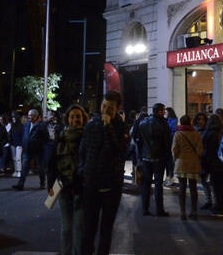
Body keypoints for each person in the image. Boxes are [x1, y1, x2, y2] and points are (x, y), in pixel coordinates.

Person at [79, 90, 128, 255]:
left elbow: (118, 152)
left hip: (111, 187)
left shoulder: (121, 128)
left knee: (106, 231)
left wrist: (108, 128)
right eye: (104, 105)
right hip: (91, 185)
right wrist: (84, 173)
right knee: (88, 230)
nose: (106, 110)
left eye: (110, 107)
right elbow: (83, 152)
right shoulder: (92, 125)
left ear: (117, 109)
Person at [48, 104, 88, 255]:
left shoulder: (88, 137)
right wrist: (50, 188)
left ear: (83, 118)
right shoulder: (61, 137)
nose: (75, 119)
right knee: (66, 227)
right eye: (72, 117)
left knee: (79, 227)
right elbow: (52, 164)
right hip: (63, 186)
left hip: (81, 188)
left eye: (78, 116)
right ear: (67, 119)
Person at [139, 103, 171, 216]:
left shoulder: (143, 123)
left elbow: (138, 139)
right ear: (159, 111)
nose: (164, 113)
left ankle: (145, 208)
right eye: (163, 111)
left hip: (146, 156)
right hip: (158, 157)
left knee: (146, 184)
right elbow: (167, 141)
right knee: (158, 184)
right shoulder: (162, 123)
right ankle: (159, 209)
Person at [172, 114, 204, 220]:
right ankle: (194, 211)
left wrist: (177, 157)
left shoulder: (178, 134)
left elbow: (174, 150)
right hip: (193, 163)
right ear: (190, 122)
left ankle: (182, 212)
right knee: (193, 188)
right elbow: (200, 151)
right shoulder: (196, 134)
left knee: (182, 188)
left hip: (181, 163)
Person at [202, 114, 223, 217]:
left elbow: (207, 152)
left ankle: (219, 209)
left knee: (216, 187)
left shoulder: (209, 134)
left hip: (214, 165)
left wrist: (204, 165)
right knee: (222, 187)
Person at [14, 108, 47, 191]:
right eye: (28, 115)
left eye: (30, 115)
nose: (28, 117)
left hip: (38, 150)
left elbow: (46, 137)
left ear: (35, 116)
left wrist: (39, 143)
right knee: (24, 167)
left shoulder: (41, 125)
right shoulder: (27, 124)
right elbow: (25, 134)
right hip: (27, 149)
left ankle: (42, 182)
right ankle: (20, 184)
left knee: (40, 167)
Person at [193, 111, 213, 210]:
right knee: (203, 181)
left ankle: (214, 201)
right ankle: (208, 200)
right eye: (199, 119)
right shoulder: (195, 131)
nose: (201, 121)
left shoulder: (208, 130)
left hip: (208, 157)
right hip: (199, 159)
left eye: (203, 119)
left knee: (210, 181)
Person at [163, 107, 178, 186]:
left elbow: (172, 130)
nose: (165, 113)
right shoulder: (167, 120)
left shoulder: (173, 120)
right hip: (166, 143)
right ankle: (168, 177)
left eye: (166, 112)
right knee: (167, 161)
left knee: (169, 161)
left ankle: (170, 176)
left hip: (170, 142)